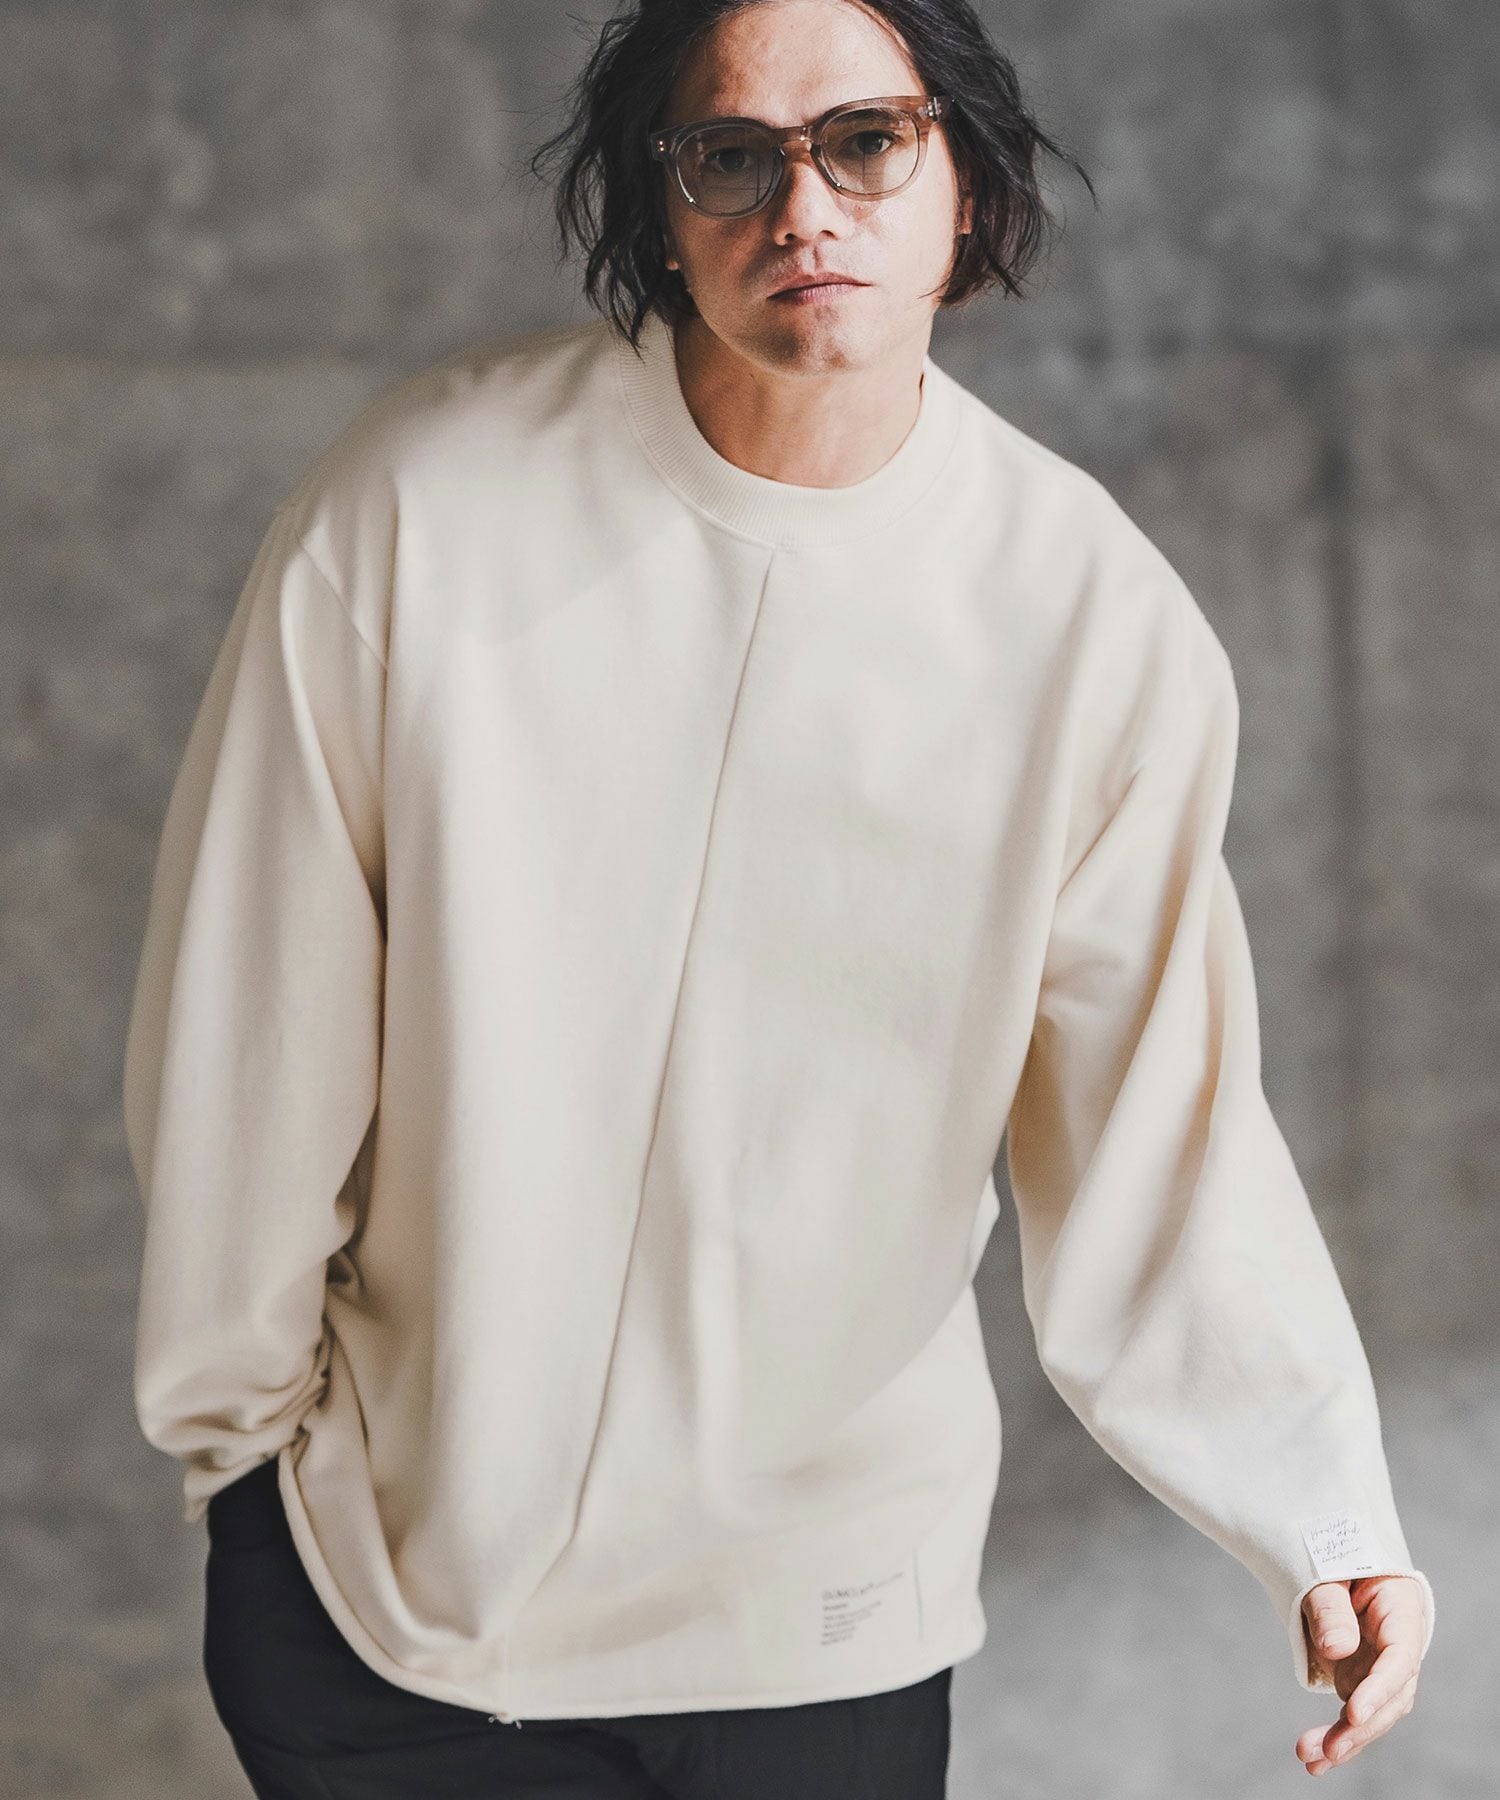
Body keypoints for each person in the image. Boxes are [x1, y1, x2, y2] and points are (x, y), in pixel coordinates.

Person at [122, 1, 1435, 1794]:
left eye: (867, 142)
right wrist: (240, 1465)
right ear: (661, 211)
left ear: (967, 187)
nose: (803, 207)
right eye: (732, 156)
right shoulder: (416, 512)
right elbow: (248, 1031)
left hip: (826, 1631)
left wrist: (1328, 1519)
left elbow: (1164, 1138)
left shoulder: (1090, 626)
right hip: (392, 1608)